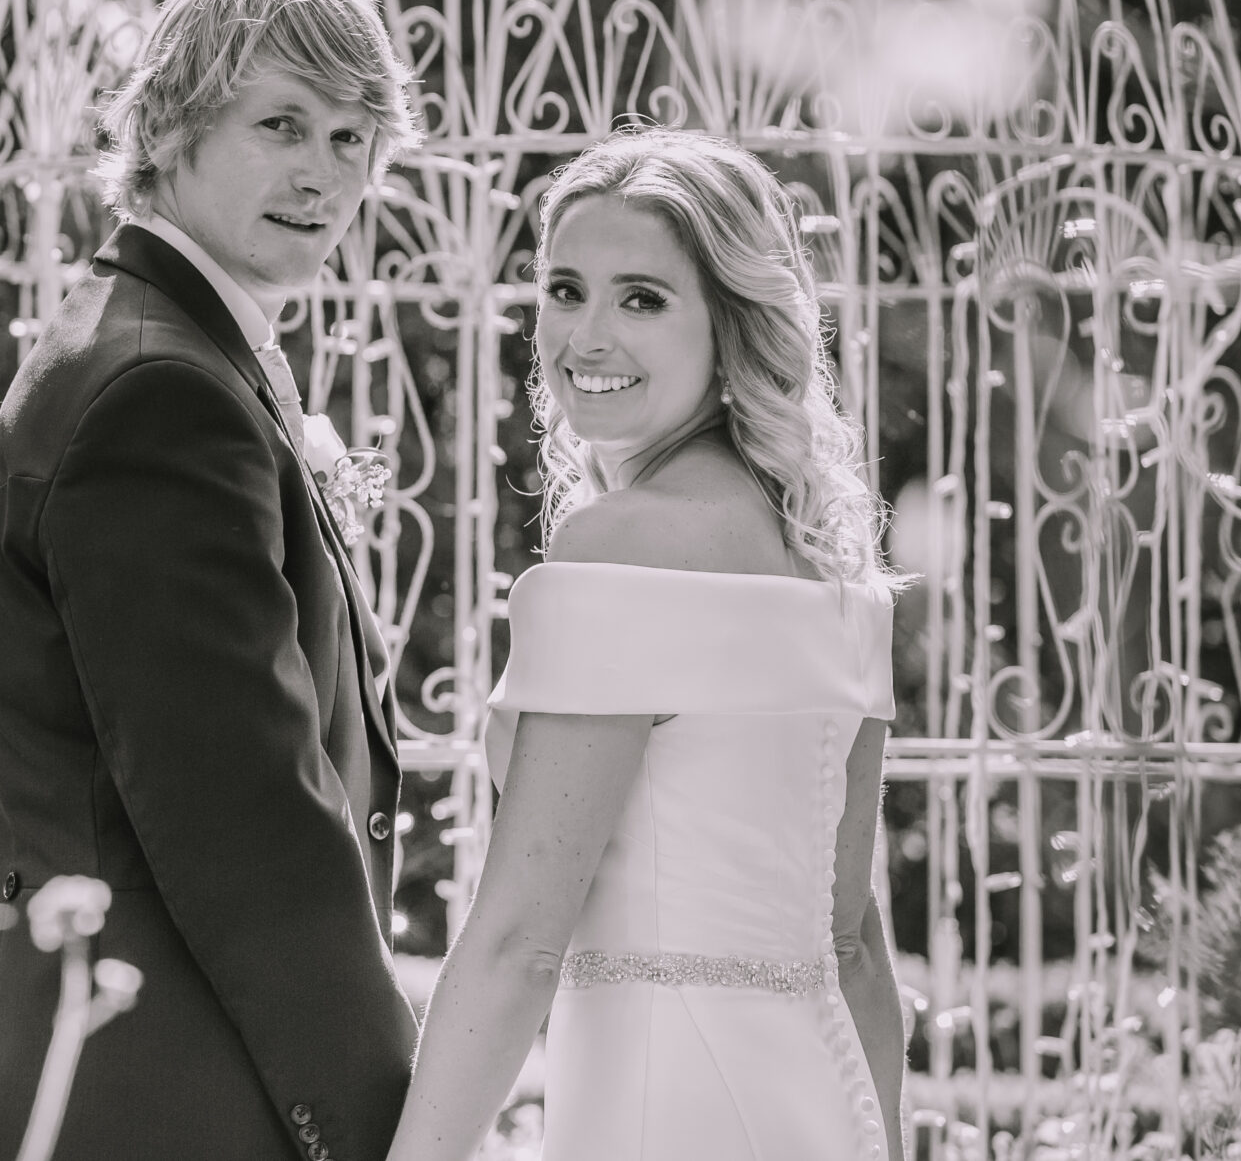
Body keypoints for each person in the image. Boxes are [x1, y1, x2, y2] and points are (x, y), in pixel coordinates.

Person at [0, 0, 425, 1161]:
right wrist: (390, 1124)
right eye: (282, 123)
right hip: (154, 1091)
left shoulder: (150, 348)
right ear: (172, 127)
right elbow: (246, 815)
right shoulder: (159, 392)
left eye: (353, 138)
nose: (324, 172)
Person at [387, 129, 905, 1161]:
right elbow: (850, 947)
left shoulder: (623, 542)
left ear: (732, 325)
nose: (585, 335)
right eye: (565, 289)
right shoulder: (834, 570)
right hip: (818, 1105)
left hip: (663, 1110)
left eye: (642, 298)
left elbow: (519, 944)